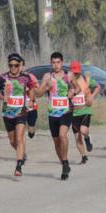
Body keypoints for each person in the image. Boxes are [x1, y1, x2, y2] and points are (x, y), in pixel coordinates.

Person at [0, 53, 38, 176]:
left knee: (19, 138)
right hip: (7, 113)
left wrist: (31, 100)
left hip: (21, 112)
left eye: (16, 65)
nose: (13, 67)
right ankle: (22, 153)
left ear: (20, 66)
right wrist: (3, 97)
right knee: (13, 141)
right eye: (11, 65)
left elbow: (32, 88)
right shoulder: (2, 78)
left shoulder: (25, 77)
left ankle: (19, 166)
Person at [34, 52, 74, 180]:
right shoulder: (47, 76)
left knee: (63, 135)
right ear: (51, 63)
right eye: (53, 62)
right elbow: (38, 94)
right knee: (56, 142)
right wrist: (46, 87)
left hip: (66, 111)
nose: (56, 65)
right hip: (53, 113)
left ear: (62, 63)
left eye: (58, 62)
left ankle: (66, 161)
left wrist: (72, 91)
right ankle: (64, 164)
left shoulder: (68, 76)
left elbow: (77, 88)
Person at [69, 60, 99, 164]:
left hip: (85, 110)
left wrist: (92, 96)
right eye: (74, 71)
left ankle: (87, 138)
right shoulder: (67, 81)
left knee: (83, 130)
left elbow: (97, 87)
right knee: (77, 137)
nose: (76, 73)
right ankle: (83, 156)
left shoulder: (86, 80)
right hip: (73, 112)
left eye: (77, 71)